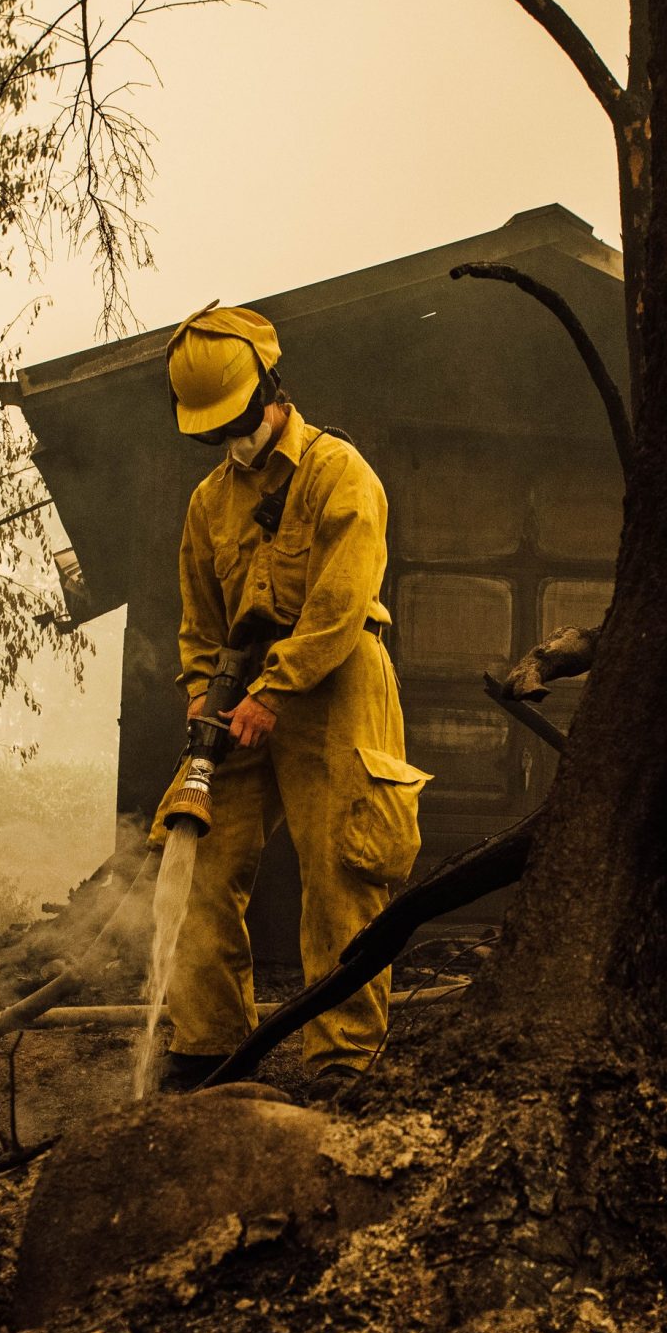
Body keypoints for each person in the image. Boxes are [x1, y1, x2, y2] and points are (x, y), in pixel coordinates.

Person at [153, 303, 429, 1097]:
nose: (228, 439)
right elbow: (199, 621)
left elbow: (341, 605)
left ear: (270, 390)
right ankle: (210, 1050)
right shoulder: (209, 504)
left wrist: (276, 691)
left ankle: (343, 1061)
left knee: (343, 869)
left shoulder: (340, 474)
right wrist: (204, 694)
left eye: (234, 420)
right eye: (211, 430)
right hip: (239, 696)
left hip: (336, 681)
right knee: (198, 858)